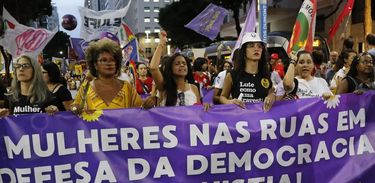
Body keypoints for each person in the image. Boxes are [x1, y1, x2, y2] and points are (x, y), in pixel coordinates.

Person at [71, 38, 155, 114]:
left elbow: (140, 110)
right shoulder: (86, 87)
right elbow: (74, 107)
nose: (109, 63)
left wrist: (147, 105)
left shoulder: (127, 87)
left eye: (112, 60)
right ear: (95, 65)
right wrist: (75, 108)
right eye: (103, 60)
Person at [219, 32, 275, 111]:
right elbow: (222, 97)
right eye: (251, 46)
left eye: (259, 46)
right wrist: (230, 102)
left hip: (260, 120)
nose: (256, 49)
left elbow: (271, 93)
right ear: (244, 51)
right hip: (240, 120)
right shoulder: (232, 75)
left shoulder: (265, 75)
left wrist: (271, 96)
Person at [149, 31, 201, 106]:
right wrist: (161, 44)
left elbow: (199, 110)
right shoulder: (164, 88)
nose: (182, 65)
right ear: (170, 68)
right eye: (177, 64)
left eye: (184, 63)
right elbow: (153, 68)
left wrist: (205, 107)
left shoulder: (194, 88)